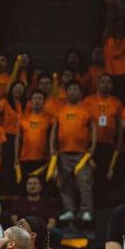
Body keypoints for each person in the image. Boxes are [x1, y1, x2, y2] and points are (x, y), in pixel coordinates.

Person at [51, 80, 96, 222]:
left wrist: (92, 148)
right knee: (65, 183)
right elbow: (54, 130)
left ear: (80, 92)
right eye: (70, 89)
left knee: (84, 182)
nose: (72, 92)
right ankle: (69, 209)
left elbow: (93, 129)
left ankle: (86, 210)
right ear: (66, 92)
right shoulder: (60, 110)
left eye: (75, 89)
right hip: (63, 152)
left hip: (82, 153)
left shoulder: (86, 110)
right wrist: (52, 148)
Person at [83, 74, 123, 208]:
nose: (106, 84)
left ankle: (104, 207)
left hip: (108, 145)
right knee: (90, 175)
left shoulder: (116, 102)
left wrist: (120, 142)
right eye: (103, 81)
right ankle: (90, 206)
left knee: (106, 175)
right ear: (97, 84)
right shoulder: (88, 101)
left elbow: (120, 125)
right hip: (91, 144)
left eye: (108, 82)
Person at [15, 89, 53, 176]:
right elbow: (18, 139)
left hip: (43, 158)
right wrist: (16, 158)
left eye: (40, 99)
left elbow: (52, 138)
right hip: (25, 157)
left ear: (44, 102)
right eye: (35, 98)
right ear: (31, 101)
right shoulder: (23, 118)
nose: (37, 101)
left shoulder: (50, 118)